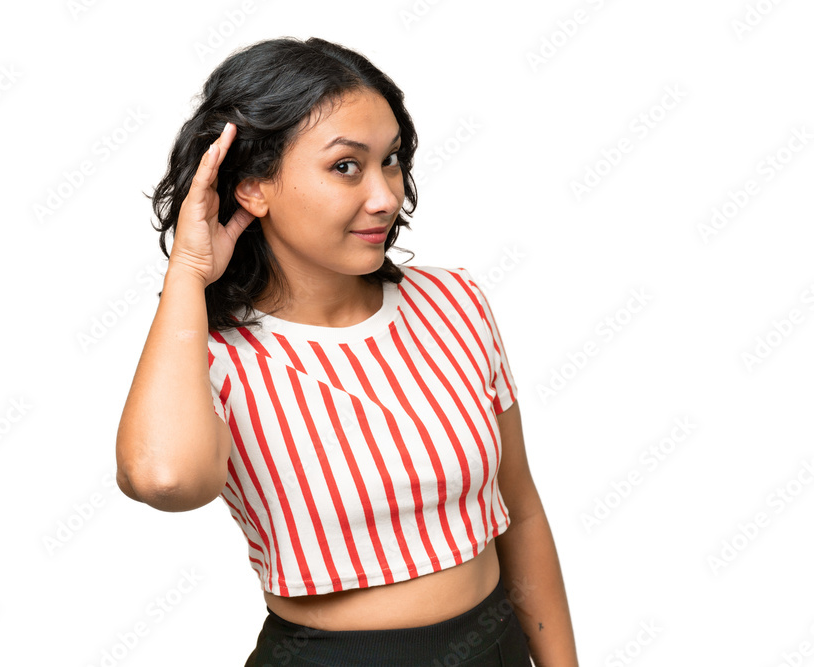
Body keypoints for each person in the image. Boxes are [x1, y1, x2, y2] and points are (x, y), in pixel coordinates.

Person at [115, 36, 578, 666]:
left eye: (391, 160)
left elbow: (519, 509)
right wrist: (188, 273)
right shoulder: (211, 356)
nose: (385, 195)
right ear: (253, 187)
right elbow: (163, 478)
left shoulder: (454, 301)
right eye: (345, 167)